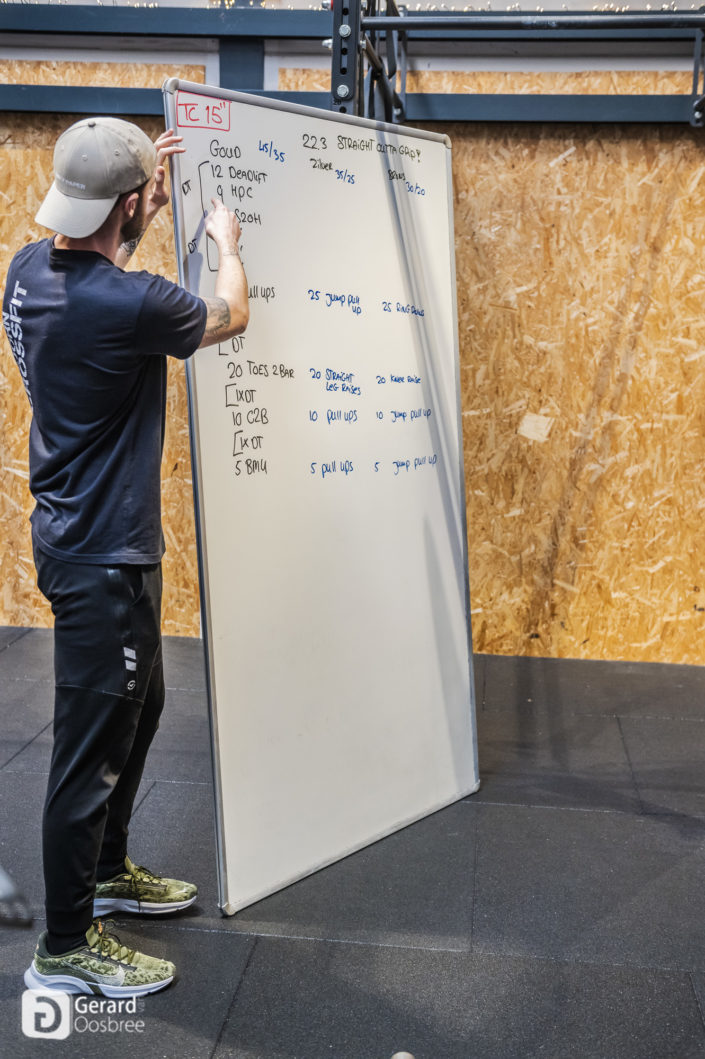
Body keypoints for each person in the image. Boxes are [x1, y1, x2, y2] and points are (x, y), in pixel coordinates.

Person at [2, 116, 248, 997]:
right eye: (143, 198)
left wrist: (140, 186)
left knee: (141, 707)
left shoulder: (26, 271)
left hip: (77, 535)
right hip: (103, 554)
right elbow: (232, 312)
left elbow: (101, 244)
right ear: (133, 206)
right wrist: (226, 243)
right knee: (89, 749)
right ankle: (66, 946)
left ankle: (106, 870)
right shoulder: (135, 302)